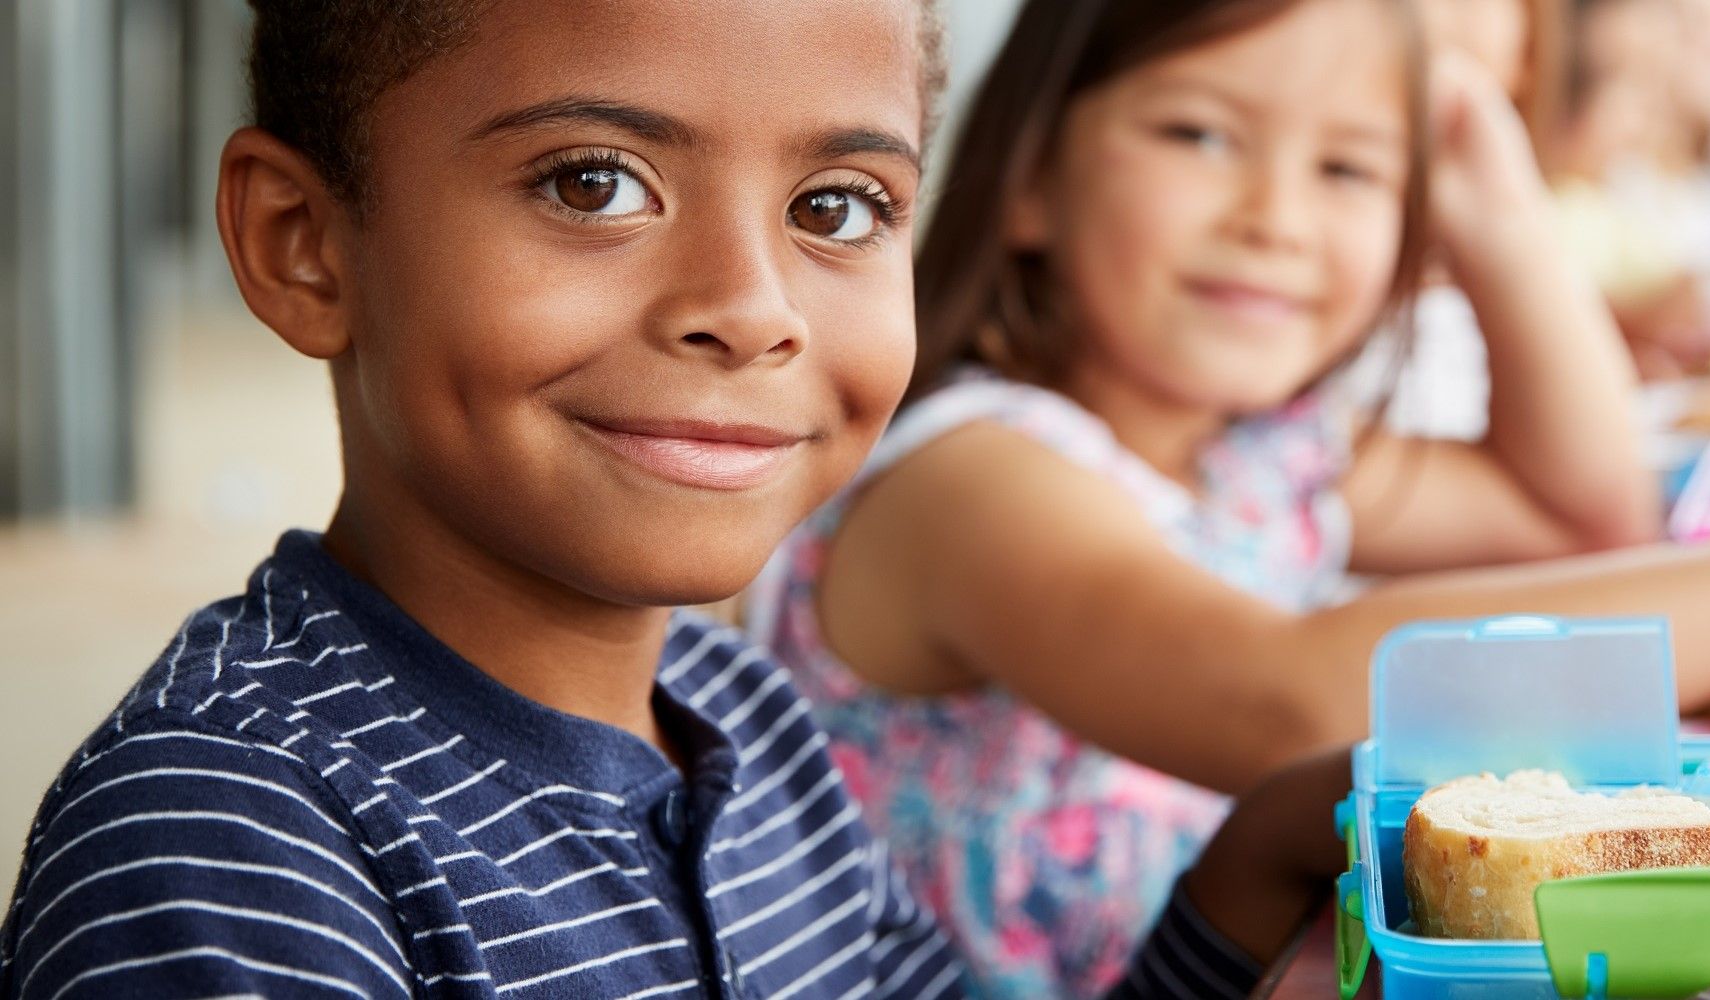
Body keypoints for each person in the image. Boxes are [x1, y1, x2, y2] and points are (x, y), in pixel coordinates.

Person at [761, 0, 1710, 996]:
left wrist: (1498, 205)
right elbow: (1291, 702)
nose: (1277, 213)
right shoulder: (971, 475)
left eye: (1349, 169)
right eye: (1200, 134)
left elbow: (1582, 515)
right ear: (1027, 179)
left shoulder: (1261, 452)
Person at [0, 1, 1351, 996]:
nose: (752, 311)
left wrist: (1247, 877)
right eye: (595, 184)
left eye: (835, 207)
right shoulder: (223, 844)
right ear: (305, 247)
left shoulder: (744, 718)